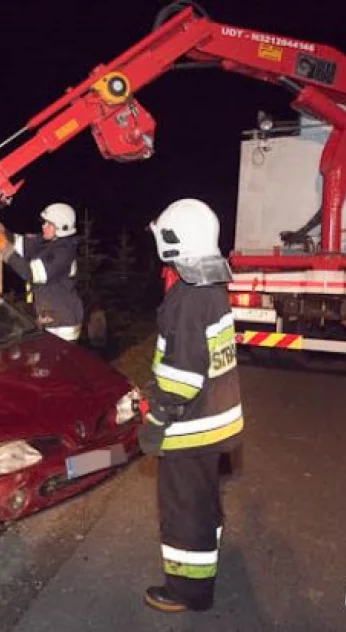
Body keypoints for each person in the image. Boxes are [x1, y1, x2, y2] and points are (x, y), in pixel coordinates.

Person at [138, 198, 244, 613]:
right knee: (203, 505)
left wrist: (156, 418)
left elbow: (181, 377)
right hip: (217, 423)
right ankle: (204, 563)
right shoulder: (213, 289)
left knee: (184, 512)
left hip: (191, 427)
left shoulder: (186, 299)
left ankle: (188, 591)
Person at [0, 203, 84, 342]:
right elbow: (20, 243)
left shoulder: (63, 253)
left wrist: (5, 248)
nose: (43, 226)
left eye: (49, 224)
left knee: (54, 362)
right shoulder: (47, 242)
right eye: (44, 222)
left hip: (63, 325)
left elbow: (32, 274)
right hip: (50, 318)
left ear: (61, 228)